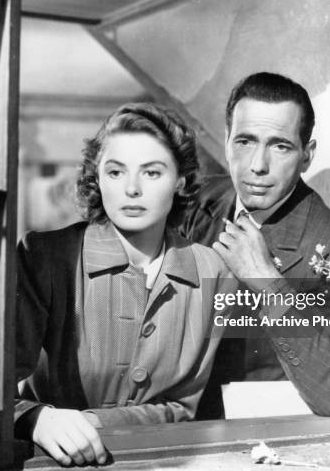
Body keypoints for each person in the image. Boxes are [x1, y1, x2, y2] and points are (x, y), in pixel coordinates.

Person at [15, 103, 233, 466]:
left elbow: (184, 406)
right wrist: (37, 419)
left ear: (179, 181)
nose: (132, 189)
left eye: (151, 172)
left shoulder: (213, 272)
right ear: (96, 178)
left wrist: (94, 422)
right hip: (52, 462)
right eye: (116, 172)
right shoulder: (46, 257)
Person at [180, 72, 330, 419]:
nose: (257, 165)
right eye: (245, 141)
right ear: (226, 141)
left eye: (280, 146)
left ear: (306, 155)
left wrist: (267, 281)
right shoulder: (200, 199)